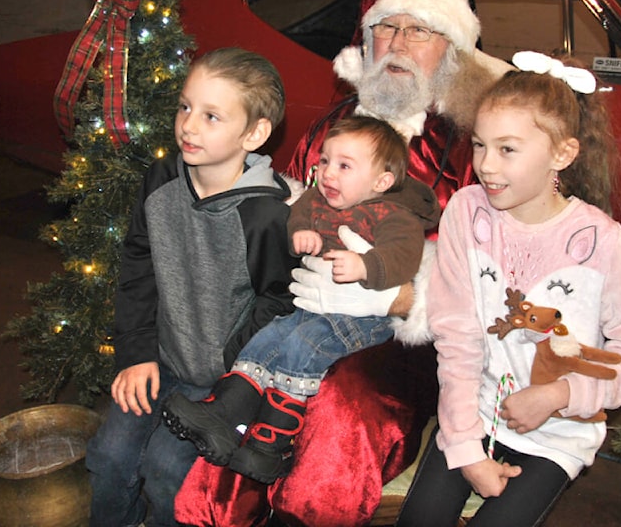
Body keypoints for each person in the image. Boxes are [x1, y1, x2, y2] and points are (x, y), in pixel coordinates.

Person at [173, 0, 511, 527]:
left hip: (409, 343)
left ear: (450, 51)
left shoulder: (469, 149)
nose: (398, 44)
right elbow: (281, 219)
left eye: (418, 31)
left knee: (340, 403)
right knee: (256, 366)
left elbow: (497, 275)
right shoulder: (331, 127)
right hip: (310, 309)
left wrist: (402, 300)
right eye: (386, 29)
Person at [395, 56, 621, 527]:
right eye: (479, 145)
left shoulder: (601, 240)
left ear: (562, 154)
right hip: (472, 411)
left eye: (507, 149)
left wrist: (559, 393)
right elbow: (456, 335)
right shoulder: (466, 211)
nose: (486, 166)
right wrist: (464, 445)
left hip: (558, 431)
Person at [163, 114, 440, 484]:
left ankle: (270, 446)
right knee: (270, 338)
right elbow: (299, 215)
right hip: (312, 306)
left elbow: (405, 256)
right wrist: (301, 233)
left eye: (344, 166)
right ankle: (224, 414)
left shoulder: (395, 216)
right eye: (324, 161)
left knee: (301, 347)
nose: (327, 173)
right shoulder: (317, 199)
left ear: (382, 181)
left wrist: (366, 265)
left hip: (361, 320)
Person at [84, 47, 297, 527]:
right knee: (109, 458)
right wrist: (136, 352)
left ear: (254, 133)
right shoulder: (161, 180)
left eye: (211, 116)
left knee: (164, 475)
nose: (189, 126)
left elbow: (279, 303)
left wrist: (227, 367)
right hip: (156, 358)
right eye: (185, 106)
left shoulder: (267, 217)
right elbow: (138, 264)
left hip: (216, 383)